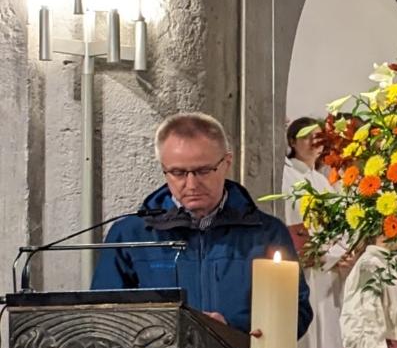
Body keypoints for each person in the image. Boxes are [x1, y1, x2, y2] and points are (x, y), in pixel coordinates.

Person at [96, 112, 312, 335]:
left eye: (203, 171)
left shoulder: (266, 233)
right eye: (178, 172)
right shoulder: (130, 235)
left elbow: (297, 312)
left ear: (227, 162)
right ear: (164, 169)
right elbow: (104, 317)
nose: (191, 184)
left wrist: (231, 328)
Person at [282, 117, 346, 348]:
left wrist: (343, 251)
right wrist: (329, 254)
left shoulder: (321, 180)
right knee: (309, 328)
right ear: (293, 141)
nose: (313, 142)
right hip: (308, 264)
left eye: (319, 137)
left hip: (328, 266)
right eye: (307, 136)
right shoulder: (287, 177)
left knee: (327, 327)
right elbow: (294, 223)